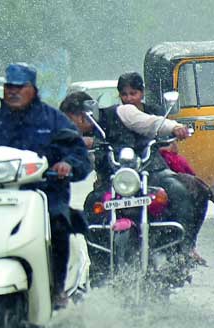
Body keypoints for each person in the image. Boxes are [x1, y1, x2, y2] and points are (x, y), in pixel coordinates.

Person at [0, 63, 92, 309]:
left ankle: (57, 288)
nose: (13, 91)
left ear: (32, 89)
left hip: (45, 197)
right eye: (9, 86)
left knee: (59, 223)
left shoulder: (54, 121)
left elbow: (78, 155)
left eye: (19, 87)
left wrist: (67, 164)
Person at [77, 73, 208, 268]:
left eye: (134, 93)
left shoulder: (155, 112)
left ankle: (185, 246)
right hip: (119, 175)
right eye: (124, 94)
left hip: (151, 169)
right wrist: (84, 141)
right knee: (92, 203)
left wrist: (175, 131)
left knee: (182, 191)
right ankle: (98, 263)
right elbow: (84, 133)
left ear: (142, 92)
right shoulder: (111, 115)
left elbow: (159, 127)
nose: (129, 98)